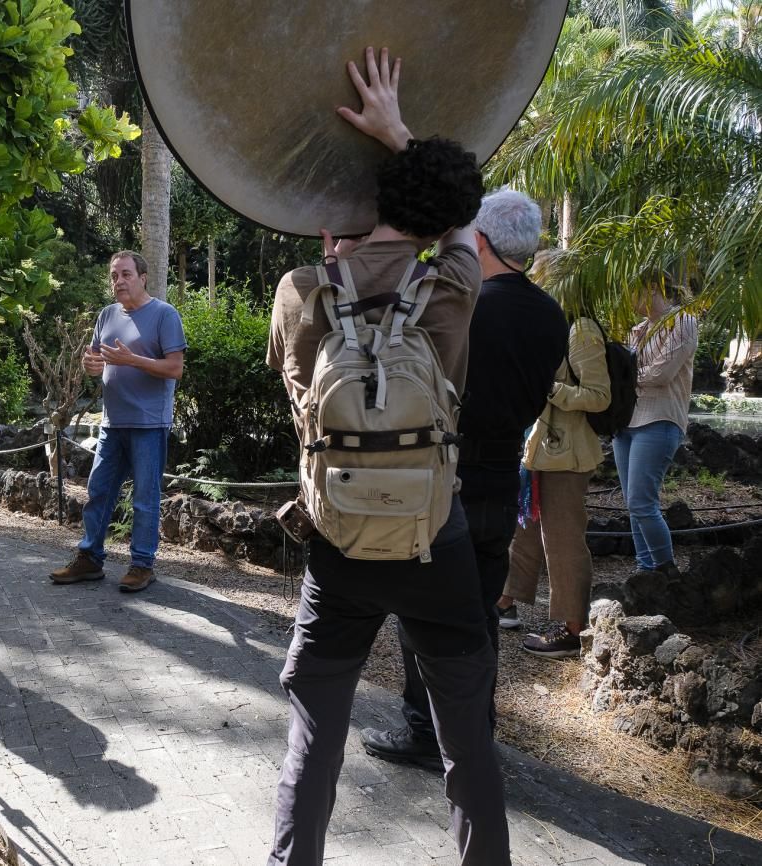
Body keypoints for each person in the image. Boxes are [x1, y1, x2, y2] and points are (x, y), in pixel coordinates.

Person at [265, 48, 510, 866]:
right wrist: (399, 132)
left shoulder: (301, 290)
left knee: (315, 731)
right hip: (433, 542)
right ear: (441, 222)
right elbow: (460, 222)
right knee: (467, 738)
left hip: (337, 544)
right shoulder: (454, 285)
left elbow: (300, 397)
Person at [358, 191, 568, 766]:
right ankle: (475, 732)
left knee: (423, 607)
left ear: (479, 242)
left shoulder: (469, 306)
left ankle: (427, 732)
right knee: (479, 612)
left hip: (448, 472)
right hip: (504, 475)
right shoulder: (551, 314)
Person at [48, 250, 186, 593]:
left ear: (142, 278)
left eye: (125, 274)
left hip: (149, 424)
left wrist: (132, 359)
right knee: (98, 492)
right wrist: (91, 367)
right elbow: (95, 362)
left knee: (144, 498)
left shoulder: (164, 315)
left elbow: (175, 368)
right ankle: (90, 559)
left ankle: (142, 565)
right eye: (114, 276)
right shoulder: (106, 315)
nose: (118, 281)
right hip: (112, 423)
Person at [496, 310, 610, 658]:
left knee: (562, 541)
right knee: (525, 528)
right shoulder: (552, 326)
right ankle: (504, 603)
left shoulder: (582, 329)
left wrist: (550, 388)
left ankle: (573, 629)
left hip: (568, 455)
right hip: (541, 449)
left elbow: (598, 395)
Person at [615, 276, 699, 580]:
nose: (630, 299)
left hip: (659, 418)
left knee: (641, 501)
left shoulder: (683, 321)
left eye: (634, 291)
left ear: (653, 288)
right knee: (632, 503)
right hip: (626, 421)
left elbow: (662, 372)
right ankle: (644, 571)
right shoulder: (638, 328)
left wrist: (623, 375)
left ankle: (666, 569)